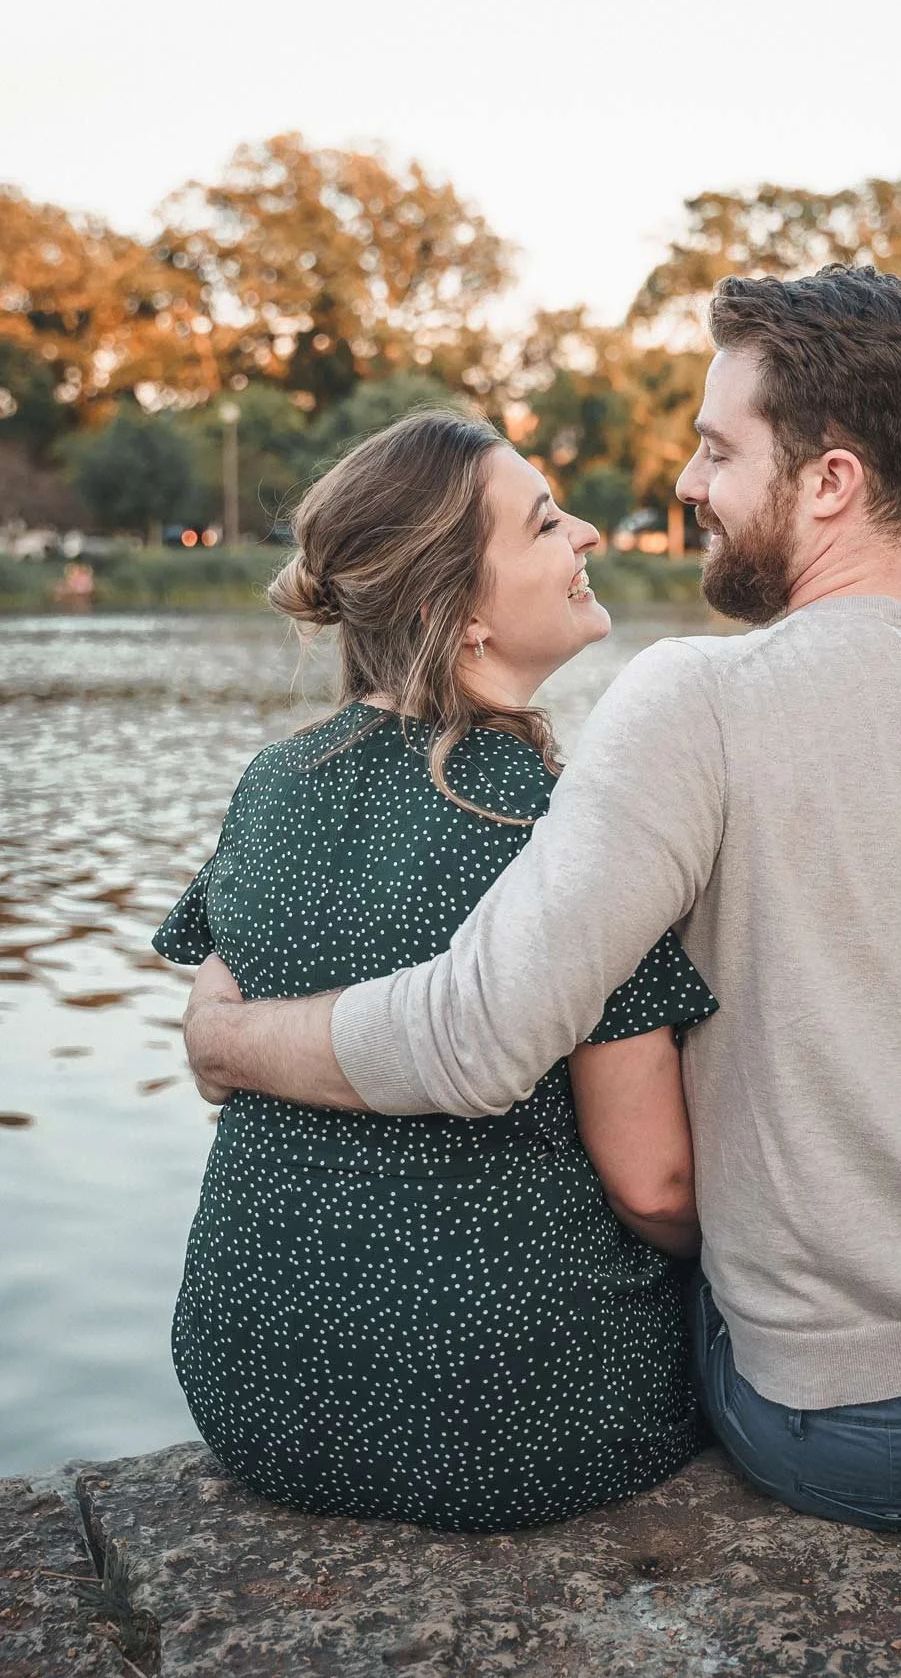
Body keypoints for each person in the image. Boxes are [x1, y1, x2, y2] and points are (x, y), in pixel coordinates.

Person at [186, 266, 901, 1531]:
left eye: (717, 450)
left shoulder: (693, 703)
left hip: (846, 1425)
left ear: (829, 479)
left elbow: (479, 1032)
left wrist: (229, 1038)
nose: (683, 484)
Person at [154, 409, 717, 1530]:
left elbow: (210, 1025)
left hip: (251, 1381)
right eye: (548, 521)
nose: (589, 534)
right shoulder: (556, 828)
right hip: (512, 1414)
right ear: (455, 612)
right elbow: (652, 1183)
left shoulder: (270, 781)